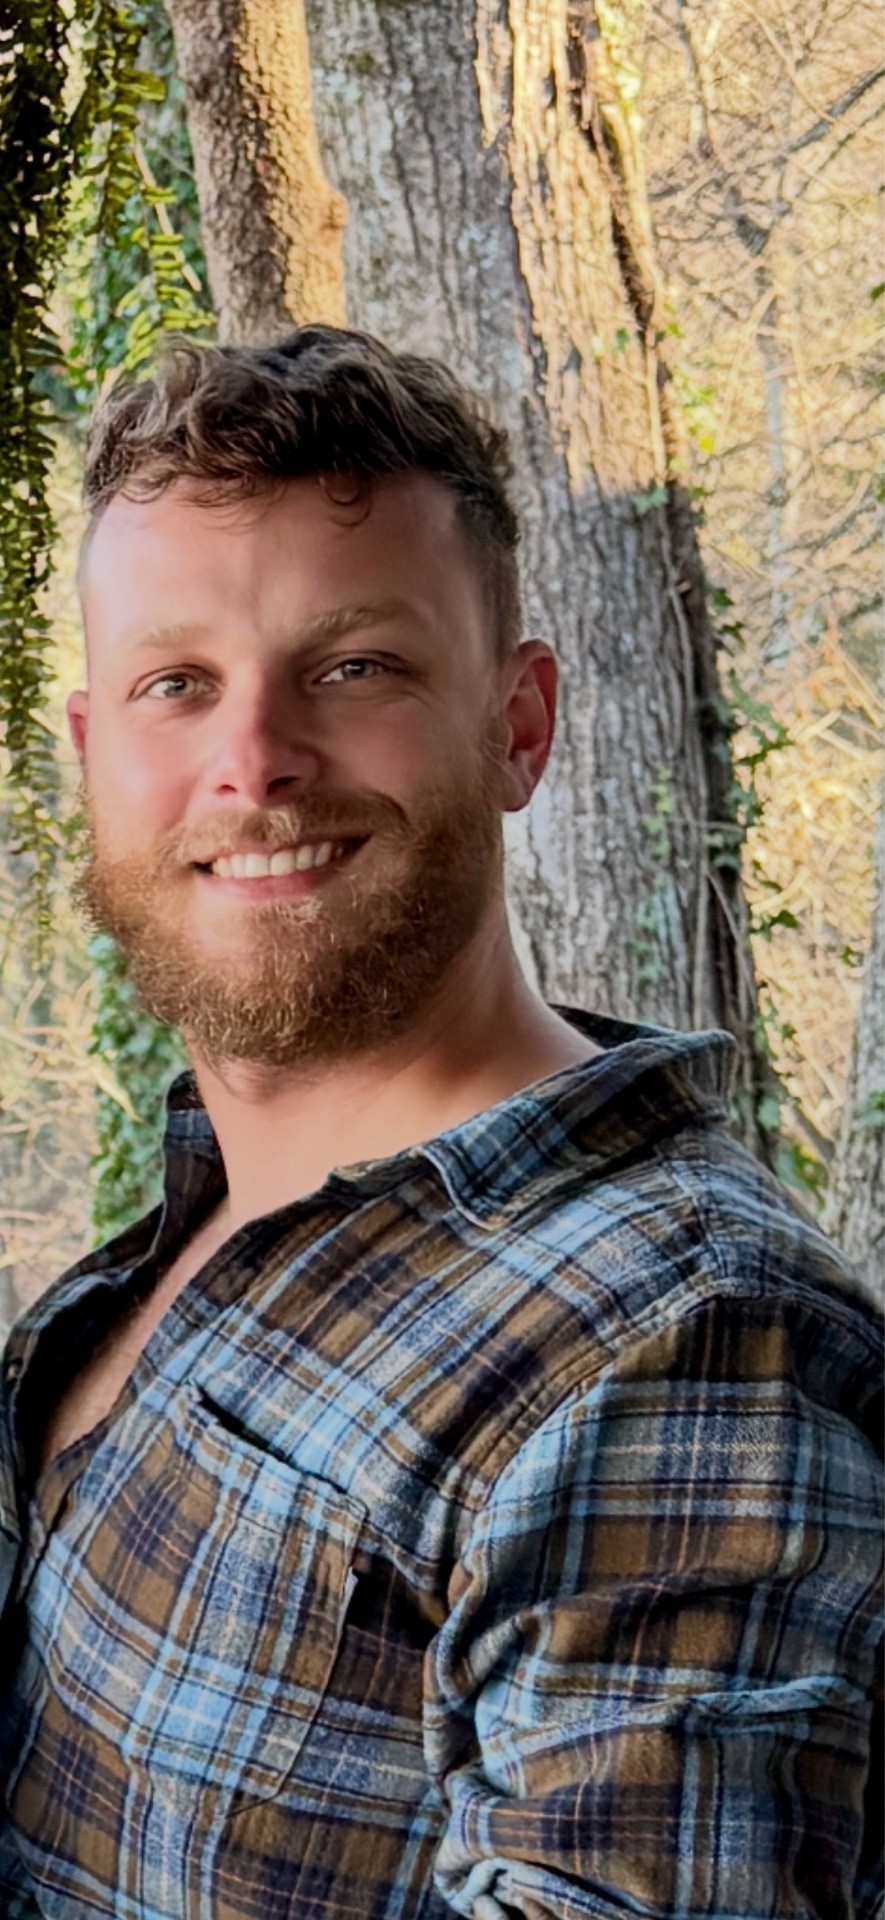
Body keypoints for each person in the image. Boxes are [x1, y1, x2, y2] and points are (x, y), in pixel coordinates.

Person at [0, 326, 880, 1920]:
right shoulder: (205, 1206)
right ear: (90, 757)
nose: (253, 763)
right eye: (175, 685)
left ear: (518, 724)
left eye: (355, 668)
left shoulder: (680, 1344)